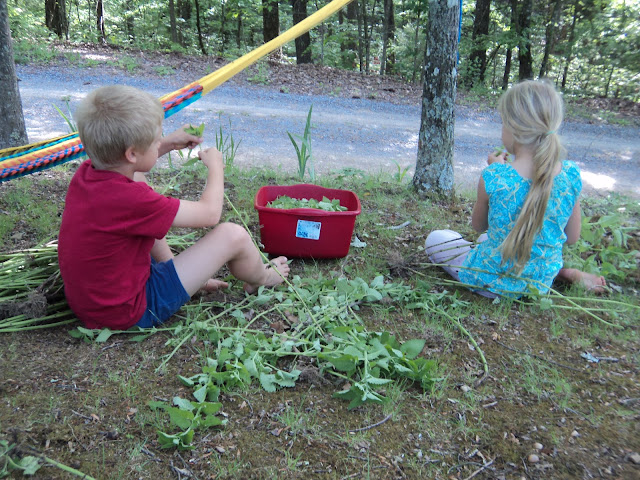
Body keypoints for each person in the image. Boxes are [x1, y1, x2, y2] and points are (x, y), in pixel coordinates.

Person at [58, 85, 290, 330]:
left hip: (94, 303)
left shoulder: (87, 175)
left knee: (138, 182)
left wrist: (168, 143)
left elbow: (129, 164)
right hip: (131, 311)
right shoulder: (131, 199)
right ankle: (263, 277)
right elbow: (210, 214)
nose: (160, 142)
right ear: (132, 153)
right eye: (156, 140)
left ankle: (178, 273)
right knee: (234, 235)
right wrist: (216, 167)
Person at [425, 80, 605, 298]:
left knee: (437, 239)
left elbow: (478, 226)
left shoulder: (495, 176)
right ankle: (562, 273)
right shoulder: (570, 174)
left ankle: (500, 273)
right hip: (539, 282)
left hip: (490, 282)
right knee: (493, 241)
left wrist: (497, 172)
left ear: (512, 128)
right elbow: (572, 237)